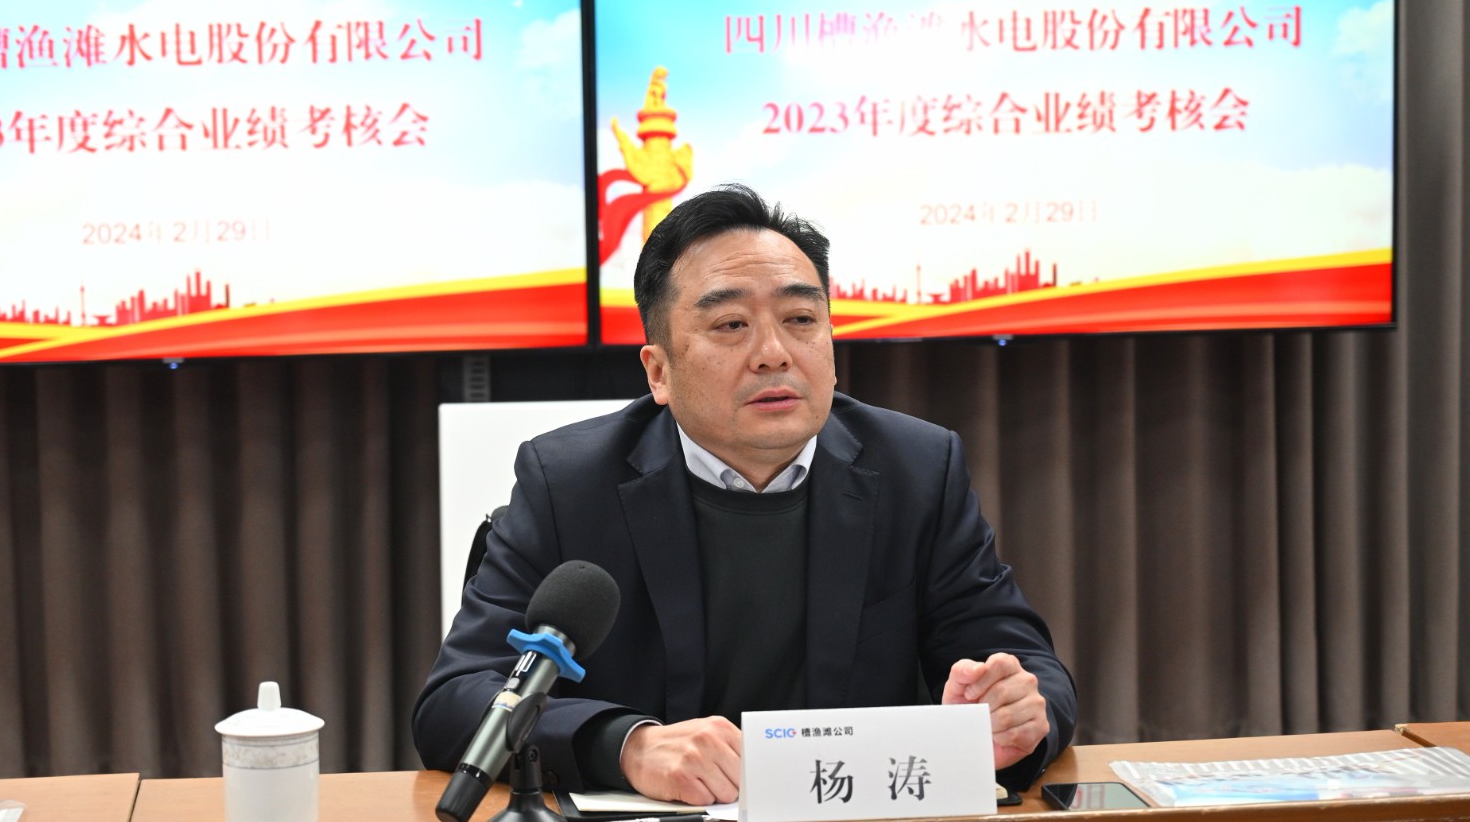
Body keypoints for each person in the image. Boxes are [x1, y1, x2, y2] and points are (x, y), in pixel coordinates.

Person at [413, 183, 1076, 802]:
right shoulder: (569, 483)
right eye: (731, 325)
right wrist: (626, 746)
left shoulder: (917, 469)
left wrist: (1013, 715)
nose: (773, 353)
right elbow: (456, 700)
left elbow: (1028, 667)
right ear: (658, 371)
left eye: (800, 318)